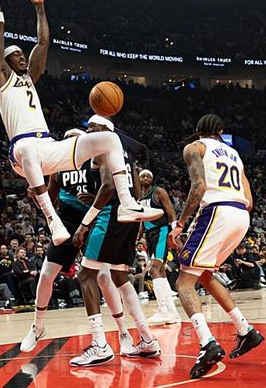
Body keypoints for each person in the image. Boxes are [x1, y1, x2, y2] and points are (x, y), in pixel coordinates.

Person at [0, 0, 162, 245]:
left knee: (110, 139)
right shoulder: (0, 80)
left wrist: (39, 7)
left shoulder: (29, 79)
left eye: (23, 54)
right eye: (16, 55)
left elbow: (43, 43)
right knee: (28, 148)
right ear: (5, 62)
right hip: (21, 153)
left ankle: (127, 204)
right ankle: (52, 220)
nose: (22, 58)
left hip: (48, 147)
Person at [168, 114, 264, 379]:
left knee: (184, 283)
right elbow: (249, 201)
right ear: (221, 131)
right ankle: (246, 330)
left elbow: (198, 186)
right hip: (240, 216)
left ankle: (207, 343)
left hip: (216, 211)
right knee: (205, 274)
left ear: (197, 130)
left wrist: (180, 224)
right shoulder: (235, 154)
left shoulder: (195, 147)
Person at [69, 116, 161, 367]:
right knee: (119, 276)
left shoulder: (102, 146)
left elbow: (109, 186)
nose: (89, 130)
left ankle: (99, 344)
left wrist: (85, 223)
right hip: (128, 218)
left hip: (110, 216)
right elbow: (136, 192)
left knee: (85, 275)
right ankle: (147, 338)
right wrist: (137, 220)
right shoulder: (125, 154)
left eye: (92, 127)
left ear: (105, 130)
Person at [20, 128, 100, 352]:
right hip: (68, 225)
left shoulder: (95, 163)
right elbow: (49, 201)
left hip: (94, 223)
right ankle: (38, 327)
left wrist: (94, 199)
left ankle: (122, 332)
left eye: (74, 140)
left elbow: (109, 194)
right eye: (67, 140)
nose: (70, 144)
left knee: (105, 277)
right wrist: (36, 196)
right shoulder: (58, 170)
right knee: (46, 274)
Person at [138, 169, 181, 324]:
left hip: (161, 231)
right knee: (160, 271)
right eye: (143, 176)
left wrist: (175, 231)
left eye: (148, 175)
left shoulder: (158, 192)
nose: (145, 177)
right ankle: (172, 313)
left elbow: (171, 212)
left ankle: (162, 309)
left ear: (152, 179)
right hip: (149, 235)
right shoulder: (139, 198)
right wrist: (139, 235)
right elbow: (141, 219)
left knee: (154, 269)